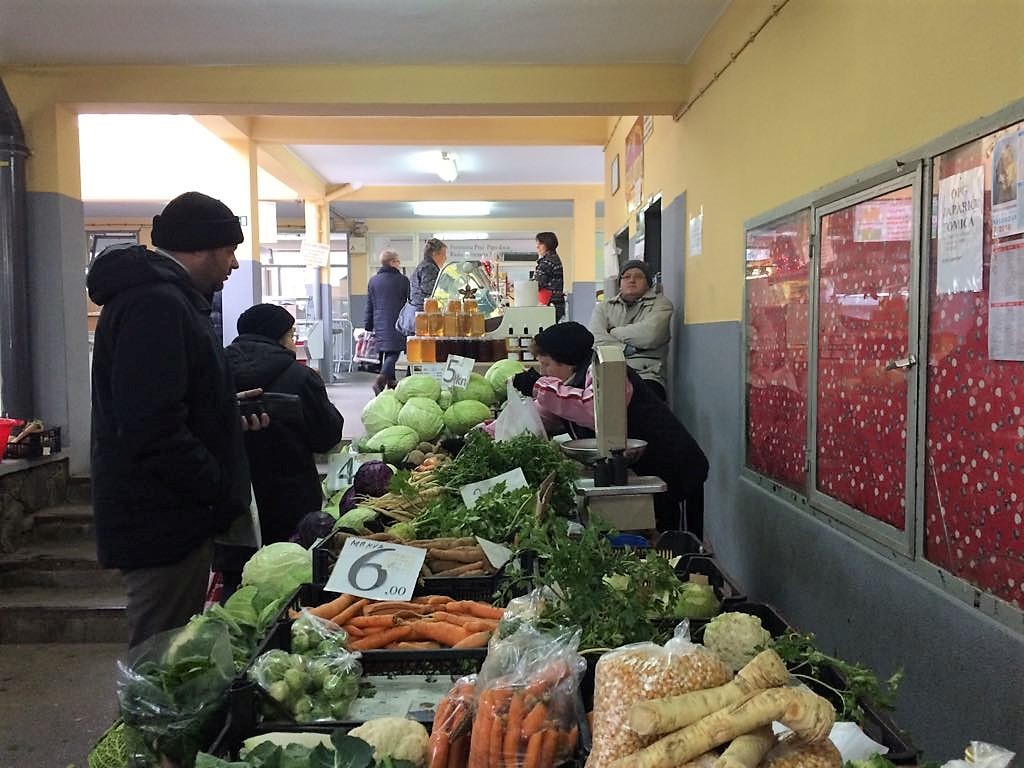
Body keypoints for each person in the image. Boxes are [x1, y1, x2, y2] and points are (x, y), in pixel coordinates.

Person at [88, 191, 266, 648]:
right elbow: (151, 425)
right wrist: (215, 490)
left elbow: (169, 397)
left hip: (172, 513)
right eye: (229, 251)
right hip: (164, 518)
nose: (233, 264)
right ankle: (149, 723)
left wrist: (224, 410)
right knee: (160, 656)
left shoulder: (169, 300)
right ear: (201, 247)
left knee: (173, 649)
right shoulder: (156, 304)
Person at [512, 322, 708, 536]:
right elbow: (538, 417)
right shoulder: (567, 385)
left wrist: (538, 386)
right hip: (636, 471)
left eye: (547, 365)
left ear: (568, 361)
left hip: (673, 467)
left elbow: (594, 410)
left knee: (675, 540)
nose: (543, 372)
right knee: (649, 537)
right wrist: (487, 432)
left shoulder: (608, 372)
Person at [225, 303, 345, 544]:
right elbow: (327, 436)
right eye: (292, 334)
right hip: (291, 497)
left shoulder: (216, 369)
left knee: (239, 571)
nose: (294, 341)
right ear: (280, 337)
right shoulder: (300, 377)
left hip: (231, 494)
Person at [589, 260, 674, 400]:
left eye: (639, 276)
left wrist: (613, 332)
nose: (632, 280)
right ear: (620, 282)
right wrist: (625, 348)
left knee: (642, 404)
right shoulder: (604, 308)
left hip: (646, 373)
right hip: (609, 371)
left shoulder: (661, 304)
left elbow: (651, 335)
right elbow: (595, 339)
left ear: (648, 282)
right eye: (626, 277)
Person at [365, 249, 410, 393]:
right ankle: (381, 380)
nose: (399, 264)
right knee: (393, 354)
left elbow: (369, 305)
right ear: (392, 262)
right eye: (397, 261)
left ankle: (391, 383)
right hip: (397, 323)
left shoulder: (373, 281)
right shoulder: (403, 280)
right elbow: (409, 303)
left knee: (387, 353)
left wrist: (368, 325)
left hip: (379, 324)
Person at [534, 231, 565, 321]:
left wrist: (523, 287)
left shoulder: (547, 262)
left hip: (548, 303)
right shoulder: (555, 258)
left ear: (548, 244)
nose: (537, 246)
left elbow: (538, 284)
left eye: (540, 244)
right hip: (557, 304)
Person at [409, 237, 447, 310]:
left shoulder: (423, 265)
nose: (445, 258)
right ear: (434, 254)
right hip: (423, 310)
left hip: (416, 308)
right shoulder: (429, 268)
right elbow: (431, 290)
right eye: (444, 254)